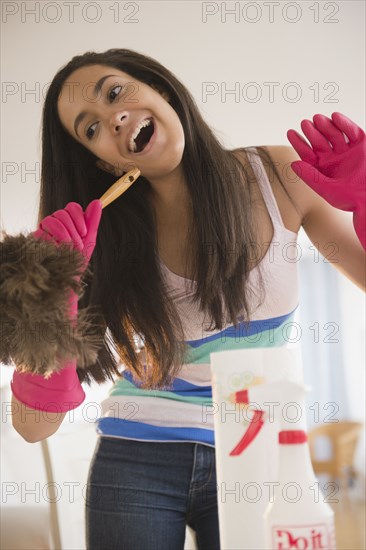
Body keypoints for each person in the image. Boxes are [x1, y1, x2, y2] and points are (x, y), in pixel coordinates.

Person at [10, 49, 365, 550]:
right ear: (104, 162)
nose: (113, 119)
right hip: (137, 456)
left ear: (160, 88)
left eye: (115, 93)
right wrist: (52, 291)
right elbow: (31, 427)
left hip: (255, 450)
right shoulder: (101, 236)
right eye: (90, 129)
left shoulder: (280, 176)